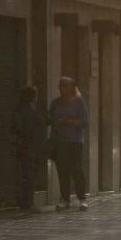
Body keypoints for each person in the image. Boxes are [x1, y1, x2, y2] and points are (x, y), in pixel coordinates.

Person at [48, 76, 90, 211]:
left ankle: (82, 198)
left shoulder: (78, 102)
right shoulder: (55, 103)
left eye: (65, 85)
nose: (62, 88)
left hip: (74, 142)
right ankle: (65, 198)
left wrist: (67, 121)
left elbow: (85, 122)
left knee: (76, 170)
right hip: (59, 142)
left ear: (71, 87)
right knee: (62, 171)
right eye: (60, 86)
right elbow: (50, 120)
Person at [11, 86, 46, 213]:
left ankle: (25, 202)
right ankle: (27, 203)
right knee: (29, 176)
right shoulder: (27, 110)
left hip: (29, 147)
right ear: (32, 96)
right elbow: (27, 129)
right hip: (30, 148)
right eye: (36, 95)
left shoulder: (24, 109)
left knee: (26, 175)